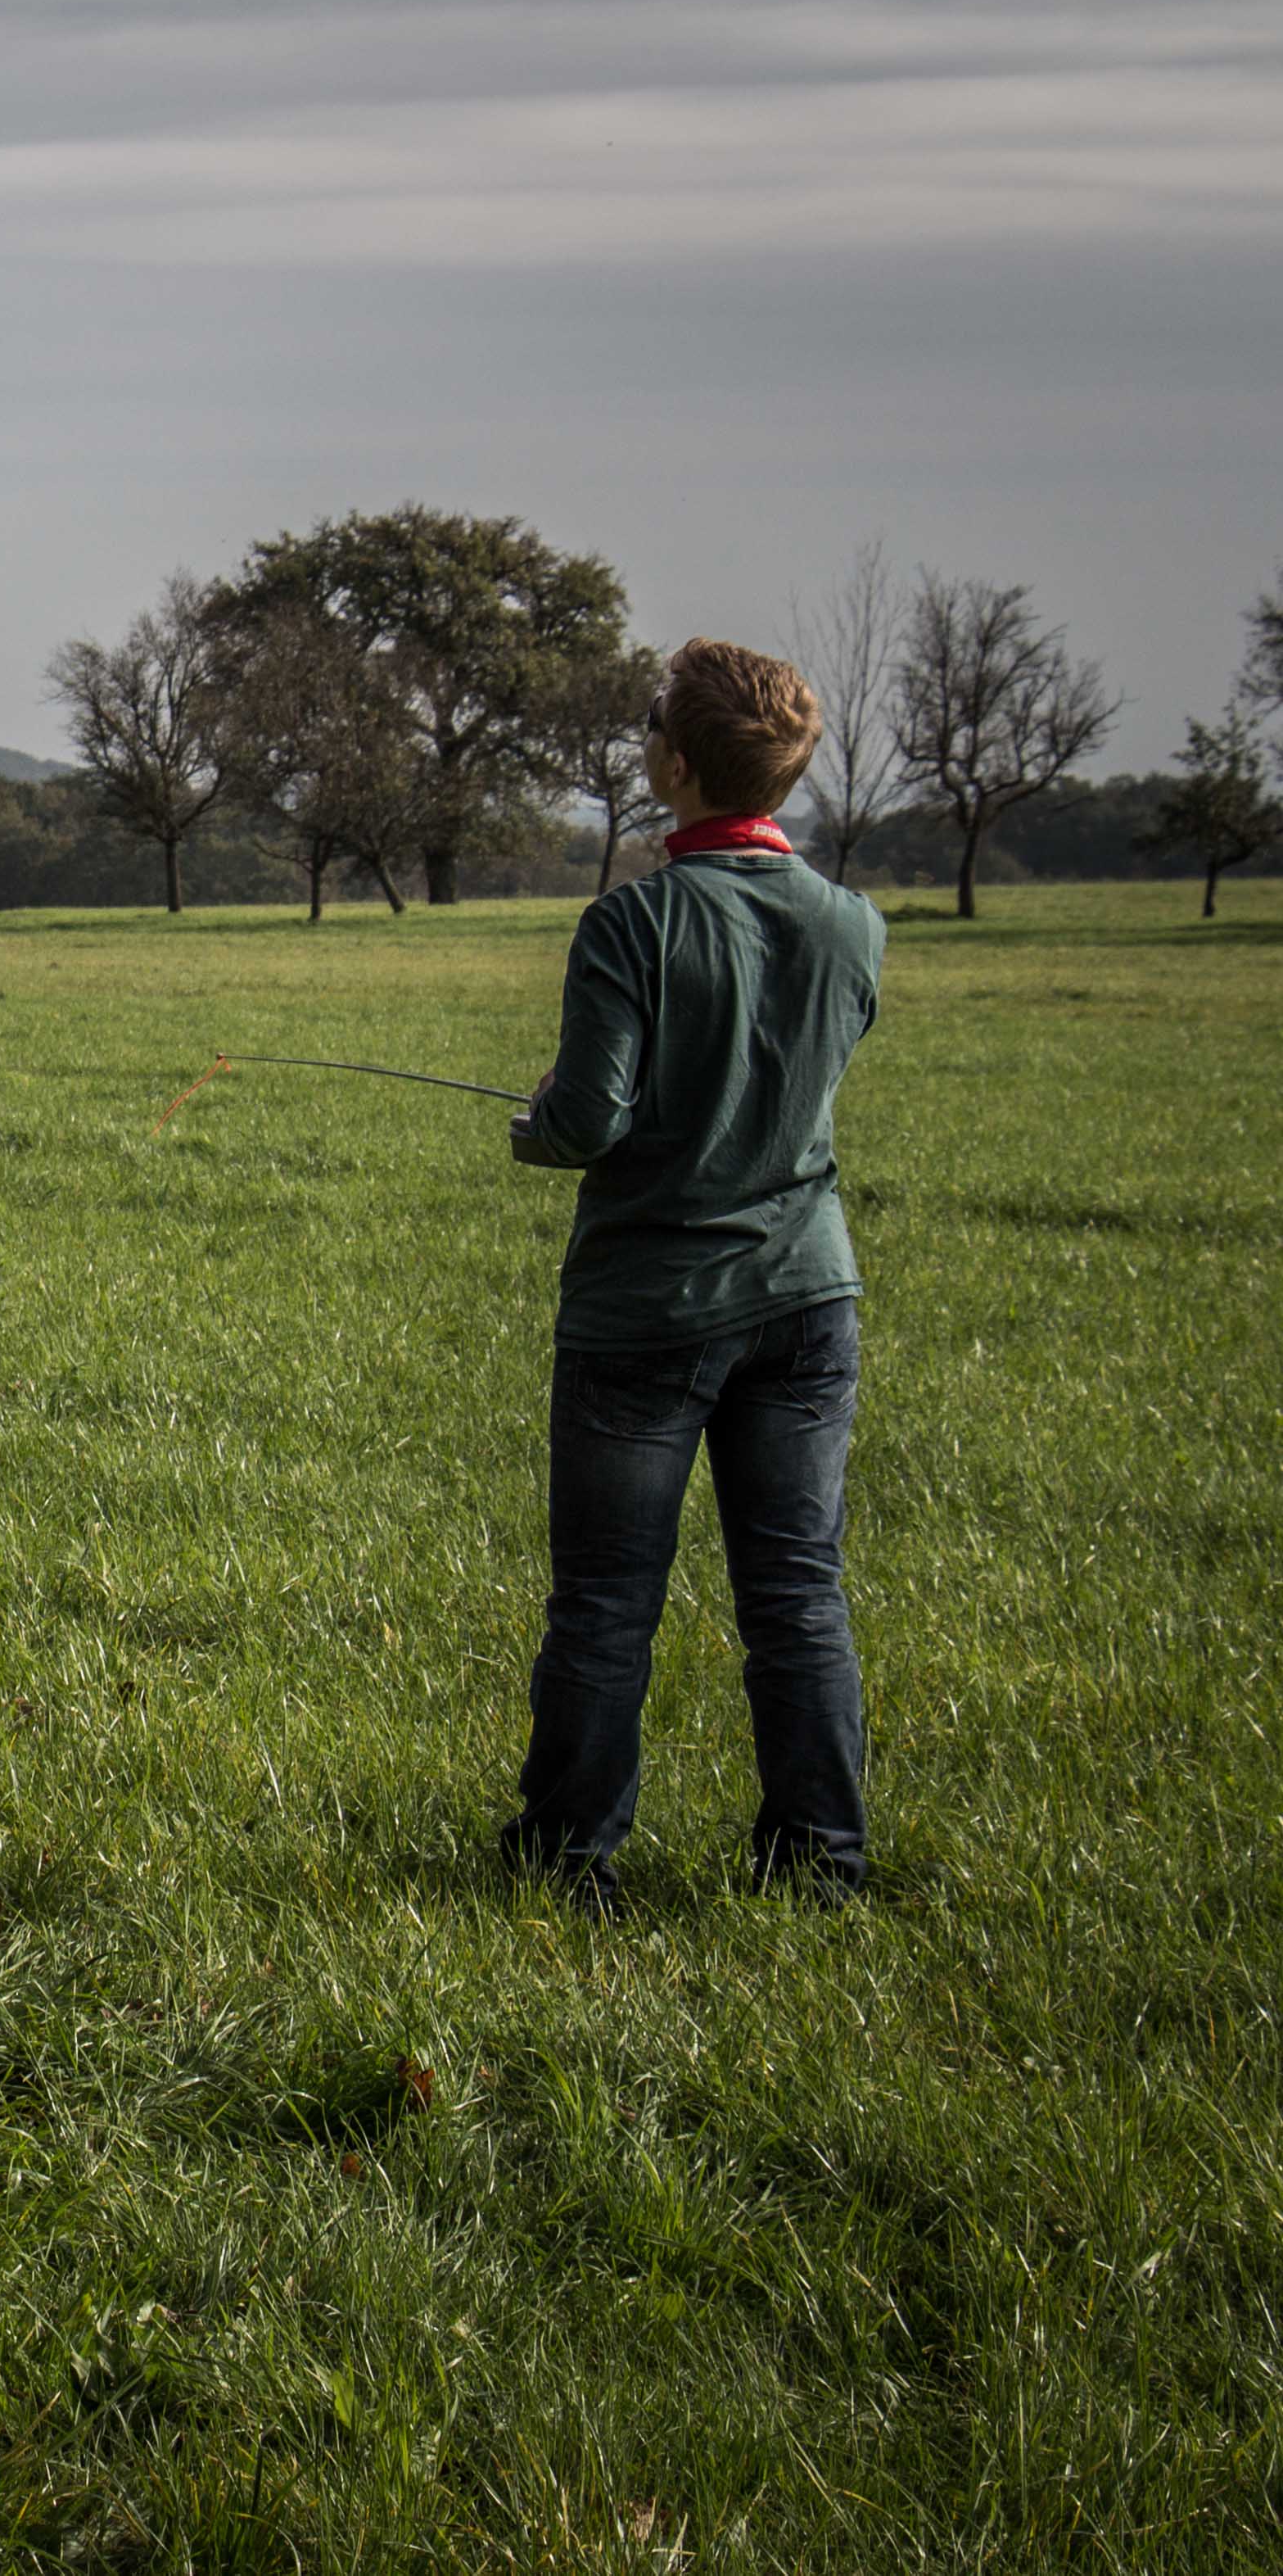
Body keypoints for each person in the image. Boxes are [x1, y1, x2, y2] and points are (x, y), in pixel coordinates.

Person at [504, 636, 884, 1898]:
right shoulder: (854, 927)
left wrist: (538, 1113)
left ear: (673, 761)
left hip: (645, 1316)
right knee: (798, 1595)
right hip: (809, 1296)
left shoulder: (630, 922)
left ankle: (567, 1861)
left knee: (607, 1603)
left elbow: (586, 1125)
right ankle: (821, 1864)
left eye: (655, 720)